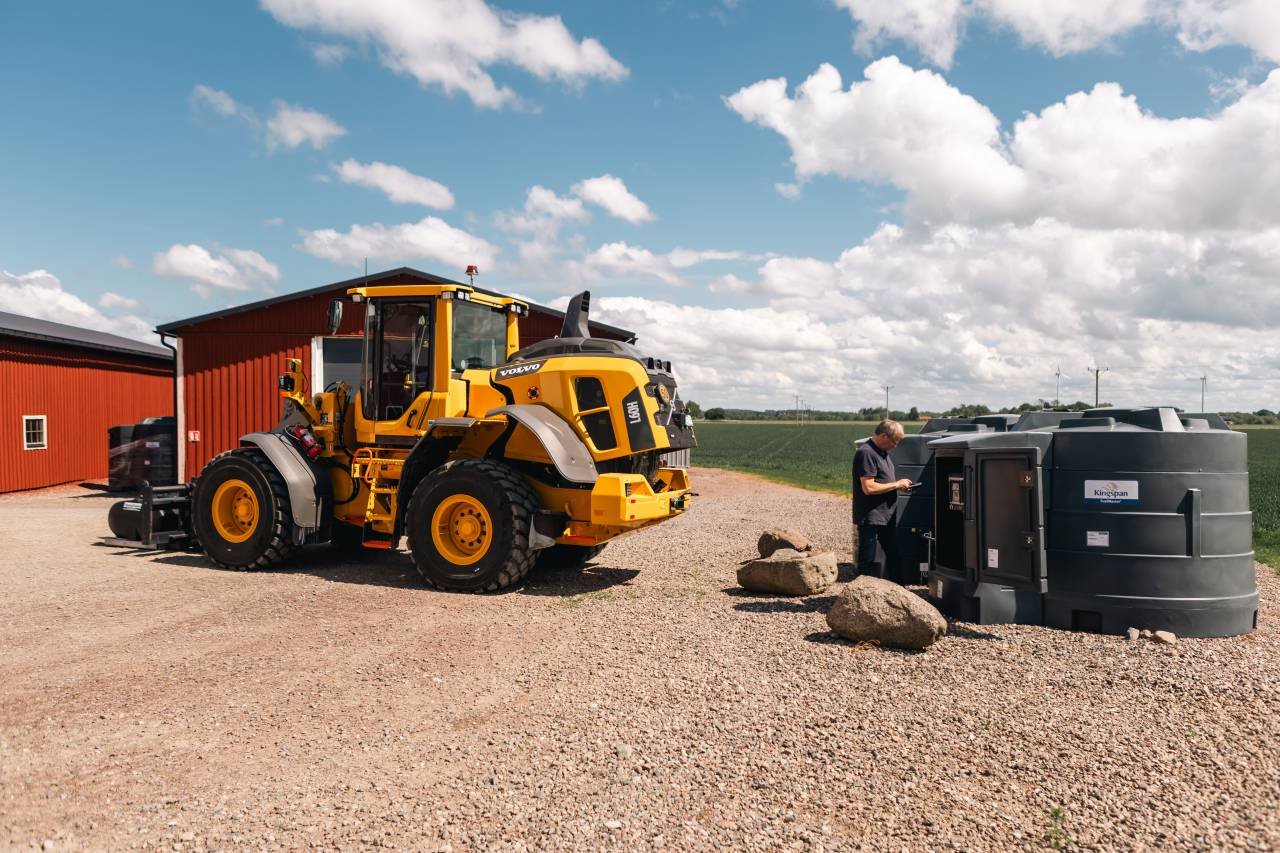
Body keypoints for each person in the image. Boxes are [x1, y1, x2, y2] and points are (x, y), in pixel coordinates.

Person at [853, 419, 914, 578]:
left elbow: (884, 483)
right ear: (884, 436)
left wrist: (900, 486)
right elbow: (868, 487)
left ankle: (899, 593)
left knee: (894, 555)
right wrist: (896, 484)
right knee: (867, 560)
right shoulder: (866, 453)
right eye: (895, 441)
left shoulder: (883, 454)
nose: (896, 445)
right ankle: (861, 594)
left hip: (886, 515)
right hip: (871, 516)